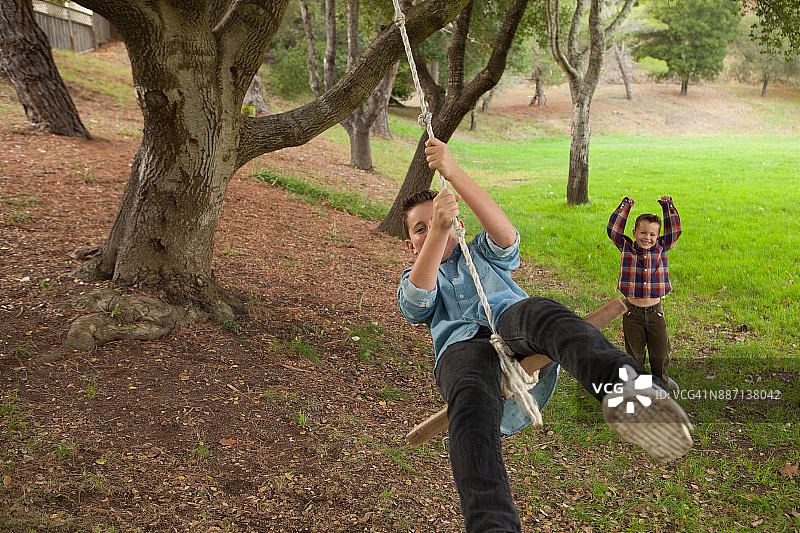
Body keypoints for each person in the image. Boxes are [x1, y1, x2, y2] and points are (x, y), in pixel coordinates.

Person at [397, 137, 693, 533]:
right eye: (420, 229)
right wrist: (438, 231)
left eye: (436, 220)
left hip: (511, 319)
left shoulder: (481, 251)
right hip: (461, 350)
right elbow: (416, 303)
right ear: (409, 245)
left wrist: (453, 173)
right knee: (468, 407)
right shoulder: (415, 274)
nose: (430, 229)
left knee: (549, 315)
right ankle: (492, 524)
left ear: (460, 223)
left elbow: (506, 235)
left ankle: (630, 395)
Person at [607, 196, 681, 392]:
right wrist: (626, 206)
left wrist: (668, 207)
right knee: (634, 355)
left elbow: (674, 230)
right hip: (632, 313)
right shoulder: (627, 247)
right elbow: (613, 230)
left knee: (661, 353)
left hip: (655, 312)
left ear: (658, 237)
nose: (647, 238)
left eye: (652, 234)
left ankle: (661, 382)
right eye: (642, 233)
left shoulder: (661, 248)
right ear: (634, 233)